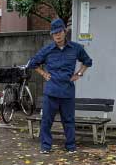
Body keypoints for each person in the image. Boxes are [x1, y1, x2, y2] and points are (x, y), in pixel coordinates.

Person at [27, 18, 92, 154]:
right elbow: (33, 63)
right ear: (52, 35)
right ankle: (45, 147)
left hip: (67, 91)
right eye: (54, 33)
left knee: (68, 121)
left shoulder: (76, 48)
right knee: (46, 121)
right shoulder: (48, 50)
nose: (57, 35)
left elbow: (87, 61)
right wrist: (44, 74)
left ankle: (70, 146)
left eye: (59, 32)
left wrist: (79, 74)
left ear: (65, 31)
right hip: (51, 92)